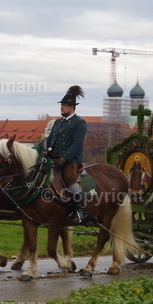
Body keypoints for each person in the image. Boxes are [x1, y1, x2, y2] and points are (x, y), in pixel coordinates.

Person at [45, 85, 90, 222]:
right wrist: (46, 151)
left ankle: (80, 210)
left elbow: (77, 144)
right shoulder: (58, 123)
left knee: (69, 177)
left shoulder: (79, 123)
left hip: (71, 160)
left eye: (64, 105)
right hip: (55, 158)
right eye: (61, 105)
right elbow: (50, 140)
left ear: (71, 107)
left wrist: (64, 159)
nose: (61, 107)